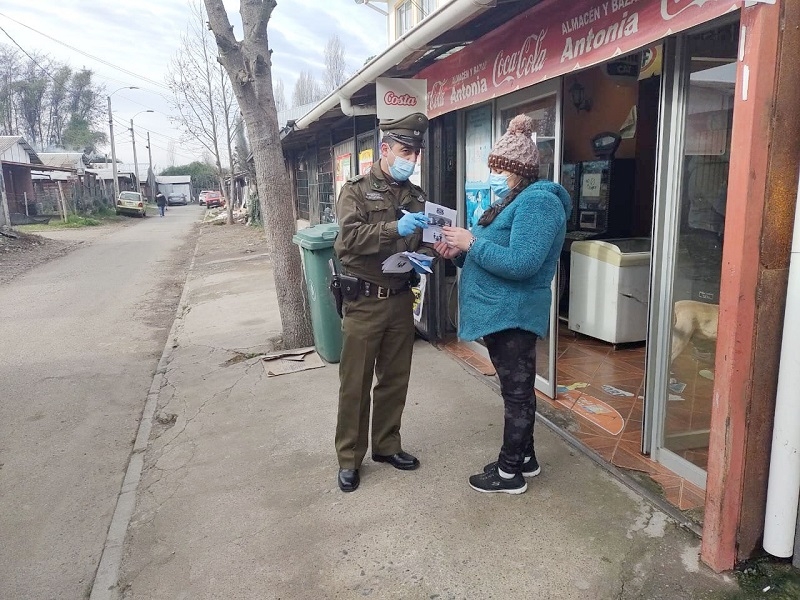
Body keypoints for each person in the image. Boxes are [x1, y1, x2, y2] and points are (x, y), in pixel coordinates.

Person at [435, 114, 572, 495]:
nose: (492, 174)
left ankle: (509, 473)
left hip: (513, 313)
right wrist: (457, 253)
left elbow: (522, 263)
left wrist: (471, 243)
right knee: (516, 390)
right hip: (499, 311)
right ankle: (525, 458)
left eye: (497, 168)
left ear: (515, 170)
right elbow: (486, 256)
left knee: (517, 394)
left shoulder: (539, 204)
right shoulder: (512, 200)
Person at [333, 112, 431, 493]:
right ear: (385, 149)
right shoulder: (356, 190)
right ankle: (349, 458)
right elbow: (349, 241)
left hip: (401, 298)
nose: (412, 158)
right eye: (406, 150)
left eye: (417, 152)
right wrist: (394, 228)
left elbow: (422, 236)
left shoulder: (415, 195)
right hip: (365, 300)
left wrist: (429, 248)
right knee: (354, 383)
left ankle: (387, 446)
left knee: (394, 379)